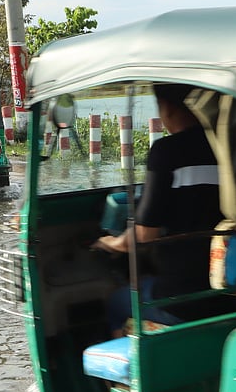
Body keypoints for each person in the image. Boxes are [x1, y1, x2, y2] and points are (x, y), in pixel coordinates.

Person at [94, 83, 223, 335]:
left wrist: (112, 243)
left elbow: (144, 235)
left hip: (180, 301)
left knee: (116, 303)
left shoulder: (168, 151)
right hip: (231, 294)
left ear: (167, 109)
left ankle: (124, 374)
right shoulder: (229, 150)